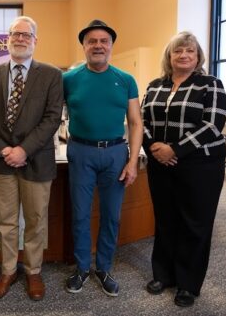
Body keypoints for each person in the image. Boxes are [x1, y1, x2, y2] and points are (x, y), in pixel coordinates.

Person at [0, 16, 63, 301]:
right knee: (5, 220)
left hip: (37, 161)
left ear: (35, 41)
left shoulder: (51, 75)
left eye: (27, 35)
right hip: (3, 162)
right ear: (8, 38)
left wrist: (24, 150)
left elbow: (52, 118)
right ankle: (8, 270)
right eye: (16, 34)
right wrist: (4, 149)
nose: (21, 38)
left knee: (37, 220)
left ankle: (33, 271)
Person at [141, 31, 226, 307]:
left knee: (195, 223)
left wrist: (174, 150)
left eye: (190, 51)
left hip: (200, 165)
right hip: (160, 164)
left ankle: (188, 284)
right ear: (169, 56)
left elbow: (213, 124)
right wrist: (153, 146)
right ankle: (163, 275)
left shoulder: (210, 84)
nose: (184, 55)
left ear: (198, 56)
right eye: (178, 51)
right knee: (166, 220)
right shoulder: (155, 86)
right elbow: (139, 120)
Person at [63, 19, 142, 297]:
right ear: (84, 46)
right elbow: (52, 116)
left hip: (115, 154)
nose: (98, 45)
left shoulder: (126, 80)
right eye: (92, 41)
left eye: (103, 41)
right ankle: (83, 267)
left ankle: (104, 267)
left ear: (111, 46)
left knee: (112, 216)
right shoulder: (68, 79)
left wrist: (132, 161)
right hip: (80, 151)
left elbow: (135, 122)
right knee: (80, 214)